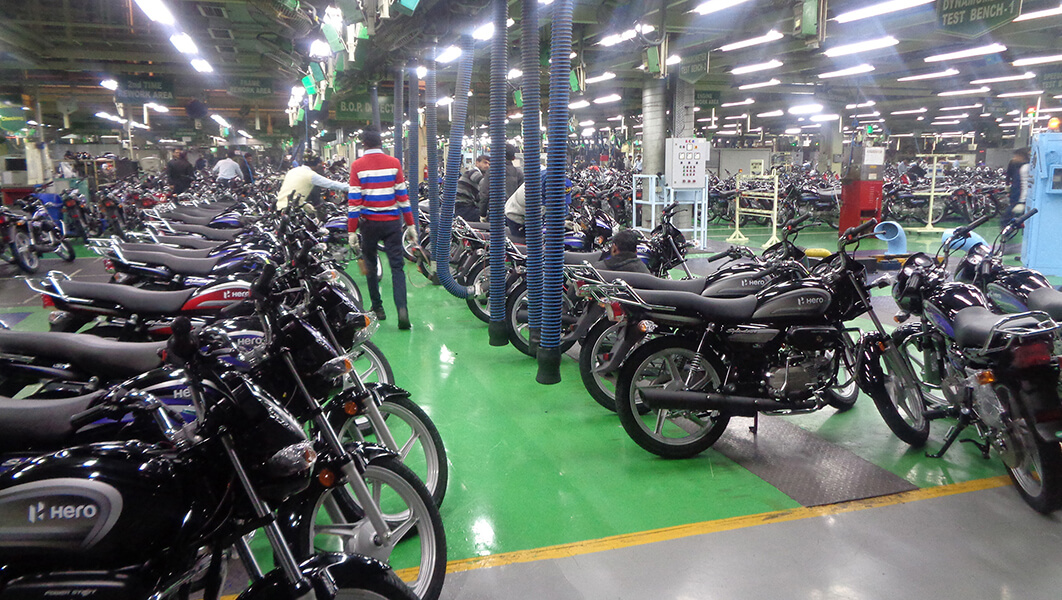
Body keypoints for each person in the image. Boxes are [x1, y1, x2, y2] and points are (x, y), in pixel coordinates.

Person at [348, 128, 416, 330]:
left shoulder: (357, 166)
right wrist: (411, 224)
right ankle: (402, 309)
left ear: (364, 145)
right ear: (381, 144)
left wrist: (352, 231)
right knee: (397, 267)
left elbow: (354, 203)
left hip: (369, 224)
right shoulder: (394, 164)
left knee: (369, 265)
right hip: (392, 224)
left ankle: (377, 307)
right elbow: (403, 197)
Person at [276, 155, 349, 214]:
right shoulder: (310, 175)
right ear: (317, 164)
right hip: (290, 210)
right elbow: (331, 184)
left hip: (279, 206)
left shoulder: (292, 171)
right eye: (320, 163)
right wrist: (352, 188)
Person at [478, 144, 523, 220]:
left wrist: (483, 214)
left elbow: (485, 193)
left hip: (495, 213)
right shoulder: (519, 173)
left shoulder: (492, 171)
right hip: (513, 214)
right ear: (513, 158)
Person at [456, 155, 489, 222]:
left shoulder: (482, 176)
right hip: (464, 208)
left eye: (489, 164)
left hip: (469, 206)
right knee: (494, 218)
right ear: (477, 163)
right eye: (485, 163)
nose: (487, 165)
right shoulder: (472, 172)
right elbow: (485, 185)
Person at [1005, 148, 1031, 226]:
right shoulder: (1013, 164)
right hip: (1015, 194)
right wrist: (1007, 185)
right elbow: (1008, 174)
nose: (1014, 158)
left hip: (1019, 197)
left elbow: (1025, 185)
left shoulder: (1026, 168)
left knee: (1007, 217)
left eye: (1016, 156)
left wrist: (1021, 202)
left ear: (1022, 156)